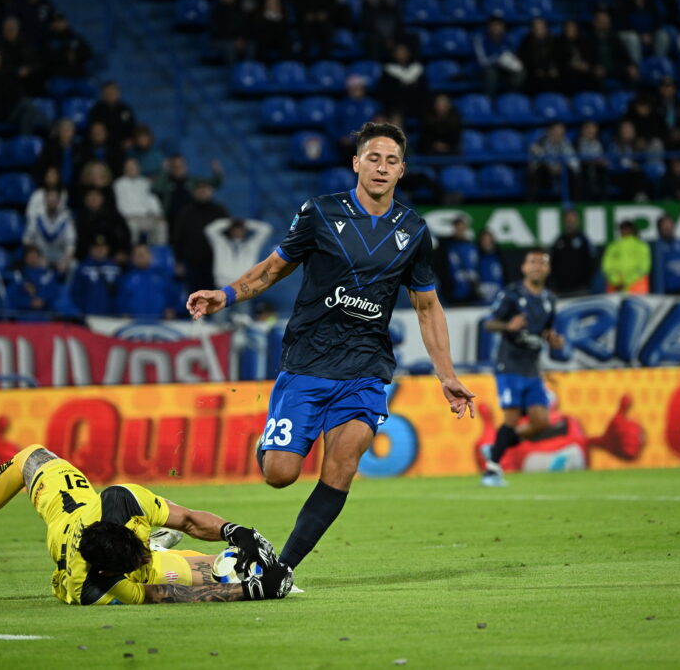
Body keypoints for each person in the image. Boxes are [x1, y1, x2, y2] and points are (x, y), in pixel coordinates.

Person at [186, 122, 475, 569]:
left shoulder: (414, 230)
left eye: (392, 161)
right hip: (308, 359)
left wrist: (447, 375)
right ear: (356, 163)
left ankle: (282, 569)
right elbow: (274, 268)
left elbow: (427, 307)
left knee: (343, 463)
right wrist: (225, 295)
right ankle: (271, 442)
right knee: (280, 474)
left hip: (365, 366)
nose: (382, 168)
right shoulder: (320, 212)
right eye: (373, 158)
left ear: (402, 170)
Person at [0, 444, 293, 604]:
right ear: (113, 572)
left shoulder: (120, 500)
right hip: (76, 555)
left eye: (141, 548)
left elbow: (187, 518)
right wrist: (250, 592)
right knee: (215, 573)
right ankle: (163, 549)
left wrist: (237, 531)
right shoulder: (95, 589)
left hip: (68, 512)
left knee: (30, 457)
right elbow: (168, 594)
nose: (141, 557)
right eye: (140, 556)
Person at [481, 249, 564, 487]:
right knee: (512, 418)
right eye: (533, 262)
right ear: (524, 267)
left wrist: (553, 340)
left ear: (548, 269)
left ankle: (497, 447)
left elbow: (546, 331)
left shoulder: (550, 300)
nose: (537, 266)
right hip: (509, 364)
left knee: (541, 422)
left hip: (532, 368)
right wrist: (508, 325)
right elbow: (489, 324)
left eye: (542, 262)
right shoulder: (512, 294)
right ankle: (492, 470)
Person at [204, 216, 274, 290]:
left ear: (245, 231)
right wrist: (230, 223)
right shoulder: (221, 244)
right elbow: (209, 230)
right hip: (222, 286)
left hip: (244, 288)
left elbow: (266, 229)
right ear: (231, 231)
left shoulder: (252, 245)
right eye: (235, 229)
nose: (238, 231)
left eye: (241, 229)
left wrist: (245, 223)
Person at [23, 187, 76, 276]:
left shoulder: (66, 218)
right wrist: (36, 256)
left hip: (59, 255)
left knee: (74, 265)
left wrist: (65, 261)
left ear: (59, 202)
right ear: (45, 201)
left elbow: (71, 245)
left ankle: (67, 286)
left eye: (54, 201)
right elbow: (27, 240)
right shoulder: (37, 216)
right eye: (49, 200)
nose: (52, 203)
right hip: (40, 255)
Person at [117, 244, 177, 320]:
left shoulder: (162, 277)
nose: (140, 257)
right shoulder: (126, 279)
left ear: (150, 256)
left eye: (142, 255)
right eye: (138, 255)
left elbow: (172, 298)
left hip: (159, 323)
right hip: (133, 323)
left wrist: (171, 310)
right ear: (133, 258)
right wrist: (123, 313)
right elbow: (120, 301)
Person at [550, 207, 594, 295]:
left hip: (581, 289)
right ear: (564, 221)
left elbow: (592, 262)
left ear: (577, 221)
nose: (571, 223)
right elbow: (552, 262)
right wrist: (555, 283)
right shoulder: (559, 240)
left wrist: (586, 283)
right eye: (569, 220)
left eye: (573, 220)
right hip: (561, 289)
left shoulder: (584, 240)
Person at [602, 220, 651, 294]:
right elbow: (606, 267)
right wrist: (616, 280)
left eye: (627, 228)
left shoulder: (641, 246)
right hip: (615, 287)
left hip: (636, 287)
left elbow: (643, 268)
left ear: (632, 230)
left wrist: (627, 281)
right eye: (622, 228)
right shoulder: (613, 247)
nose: (624, 230)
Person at [652, 215, 680, 293]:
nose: (667, 228)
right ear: (659, 229)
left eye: (669, 225)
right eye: (664, 226)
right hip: (669, 290)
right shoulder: (656, 247)